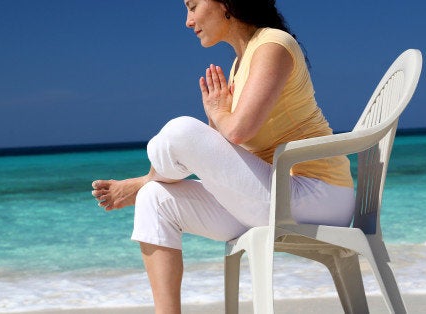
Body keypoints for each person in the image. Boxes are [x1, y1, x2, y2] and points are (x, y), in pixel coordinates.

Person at [91, 0, 354, 312]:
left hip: (318, 194)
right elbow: (229, 147)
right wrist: (217, 119)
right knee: (155, 198)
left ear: (226, 3)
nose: (188, 21)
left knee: (180, 130)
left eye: (192, 6)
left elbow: (238, 131)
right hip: (271, 196)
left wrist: (218, 113)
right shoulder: (239, 64)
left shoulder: (274, 45)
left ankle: (144, 179)